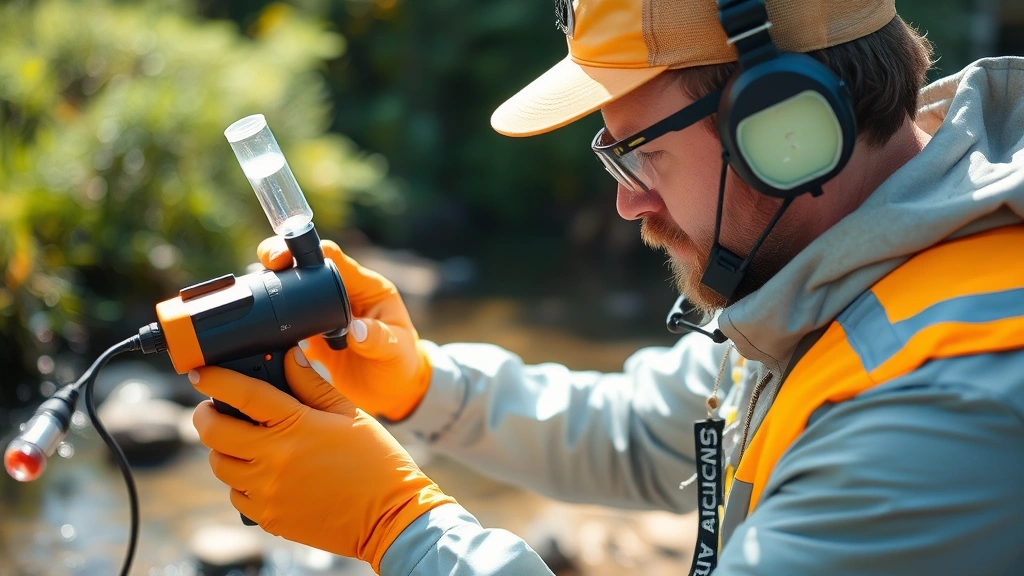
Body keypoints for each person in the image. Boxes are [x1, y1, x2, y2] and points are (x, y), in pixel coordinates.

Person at [188, 0, 1024, 573]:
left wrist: (398, 530)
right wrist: (418, 387)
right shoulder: (837, 277)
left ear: (789, 127)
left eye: (640, 151)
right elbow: (641, 435)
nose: (627, 200)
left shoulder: (937, 407)